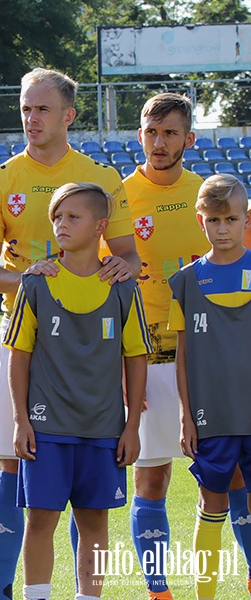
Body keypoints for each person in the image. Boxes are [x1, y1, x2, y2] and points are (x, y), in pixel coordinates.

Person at [0, 67, 140, 600]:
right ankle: (8, 591)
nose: (31, 118)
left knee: (90, 488)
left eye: (42, 109)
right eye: (25, 107)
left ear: (68, 115)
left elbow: (130, 259)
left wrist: (118, 268)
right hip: (22, 337)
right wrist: (35, 277)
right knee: (13, 464)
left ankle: (85, 592)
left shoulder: (101, 179)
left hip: (90, 347)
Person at [122, 93, 250, 600]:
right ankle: (159, 591)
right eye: (152, 133)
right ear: (140, 136)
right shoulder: (119, 197)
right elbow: (107, 282)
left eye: (170, 133)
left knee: (234, 477)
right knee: (151, 479)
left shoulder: (213, 197)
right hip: (149, 357)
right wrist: (119, 364)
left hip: (213, 365)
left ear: (189, 139)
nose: (160, 142)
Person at [8, 182, 149, 600]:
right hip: (46, 427)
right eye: (56, 217)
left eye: (73, 216)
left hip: (103, 430)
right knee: (40, 520)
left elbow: (136, 357)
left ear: (101, 226)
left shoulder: (123, 288)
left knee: (94, 524)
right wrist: (21, 421)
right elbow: (19, 356)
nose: (61, 225)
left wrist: (132, 427)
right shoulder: (35, 283)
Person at [171, 174, 251, 600]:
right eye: (214, 220)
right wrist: (186, 414)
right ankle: (205, 595)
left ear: (245, 219)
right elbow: (183, 356)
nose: (223, 229)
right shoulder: (185, 281)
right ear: (200, 220)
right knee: (212, 504)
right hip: (211, 416)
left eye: (231, 219)